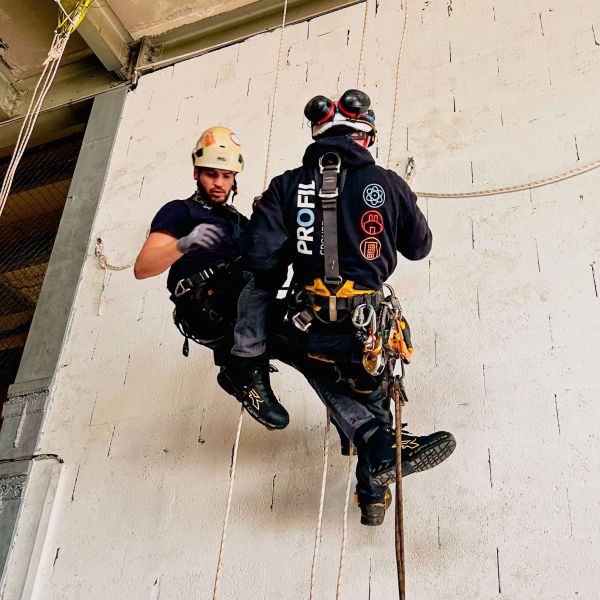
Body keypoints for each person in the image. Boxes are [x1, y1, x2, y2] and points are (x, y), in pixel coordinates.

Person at [220, 90, 456, 525]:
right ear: (365, 137)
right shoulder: (388, 184)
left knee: (318, 368)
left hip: (308, 328)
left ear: (318, 135)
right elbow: (419, 247)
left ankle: (375, 466)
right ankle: (373, 490)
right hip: (365, 331)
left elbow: (260, 258)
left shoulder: (286, 186)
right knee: (372, 393)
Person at [133, 125, 290, 430]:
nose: (219, 183)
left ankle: (359, 424)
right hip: (205, 305)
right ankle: (245, 370)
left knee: (302, 340)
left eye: (226, 176)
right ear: (196, 173)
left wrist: (267, 219)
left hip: (241, 308)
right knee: (265, 266)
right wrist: (185, 243)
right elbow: (143, 267)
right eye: (211, 174)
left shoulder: (237, 221)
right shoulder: (182, 211)